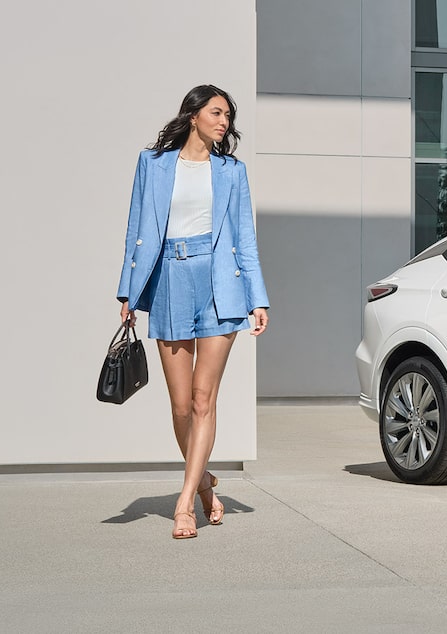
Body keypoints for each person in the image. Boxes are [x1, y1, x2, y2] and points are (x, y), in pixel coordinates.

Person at [116, 85, 270, 539]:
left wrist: (257, 298)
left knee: (205, 399)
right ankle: (203, 482)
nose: (224, 121)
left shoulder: (232, 172)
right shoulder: (154, 164)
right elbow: (136, 228)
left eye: (228, 115)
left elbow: (245, 238)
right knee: (181, 404)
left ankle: (185, 504)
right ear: (194, 115)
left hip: (221, 285)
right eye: (216, 112)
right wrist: (128, 291)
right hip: (168, 281)